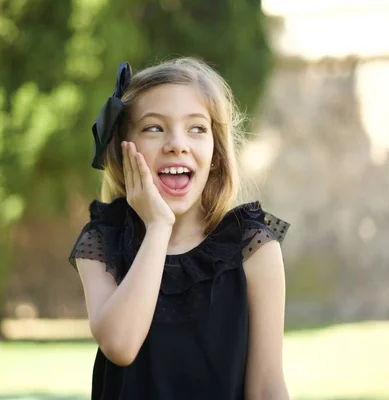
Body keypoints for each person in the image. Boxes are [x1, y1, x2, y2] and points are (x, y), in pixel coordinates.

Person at [69, 57, 291, 400]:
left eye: (197, 128)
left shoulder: (254, 250)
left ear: (215, 152)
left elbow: (267, 388)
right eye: (154, 128)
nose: (177, 143)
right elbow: (120, 344)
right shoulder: (102, 242)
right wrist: (158, 227)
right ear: (122, 150)